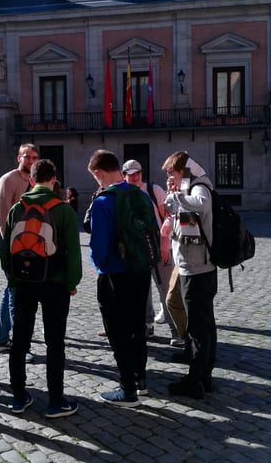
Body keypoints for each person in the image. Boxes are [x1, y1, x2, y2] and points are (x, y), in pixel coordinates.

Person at [0, 159, 82, 418]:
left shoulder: (17, 208)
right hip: (55, 284)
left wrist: (13, 280)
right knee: (54, 342)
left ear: (31, 180)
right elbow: (73, 254)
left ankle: (19, 397)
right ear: (54, 179)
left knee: (20, 340)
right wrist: (71, 283)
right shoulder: (63, 210)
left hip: (23, 282)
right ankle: (56, 401)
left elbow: (5, 251)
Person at [87, 149, 153, 407]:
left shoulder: (103, 201)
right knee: (138, 326)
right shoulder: (141, 194)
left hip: (115, 273)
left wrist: (100, 266)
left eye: (95, 177)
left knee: (118, 331)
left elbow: (99, 247)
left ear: (99, 172)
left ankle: (127, 391)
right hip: (141, 269)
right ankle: (141, 381)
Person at [163, 151, 216, 399]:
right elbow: (185, 227)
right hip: (194, 266)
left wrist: (175, 195)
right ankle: (205, 375)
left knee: (199, 328)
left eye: (172, 173)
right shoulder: (190, 189)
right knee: (205, 326)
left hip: (197, 269)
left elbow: (202, 204)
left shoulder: (198, 187)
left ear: (183, 171)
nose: (170, 178)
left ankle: (195, 381)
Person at [121, 159, 184, 346]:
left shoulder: (153, 190)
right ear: (124, 176)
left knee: (167, 291)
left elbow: (169, 217)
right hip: (137, 250)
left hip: (159, 246)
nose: (134, 177)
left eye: (137, 173)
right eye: (130, 174)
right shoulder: (123, 194)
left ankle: (177, 331)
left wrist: (165, 244)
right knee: (143, 290)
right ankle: (147, 325)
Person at [0, 143, 40, 358]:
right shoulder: (8, 180)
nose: (30, 161)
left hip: (28, 245)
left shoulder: (34, 181)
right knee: (16, 293)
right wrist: (10, 249)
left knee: (10, 290)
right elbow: (2, 217)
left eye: (34, 158)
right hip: (11, 246)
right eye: (27, 157)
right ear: (18, 158)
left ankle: (1, 339)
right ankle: (22, 346)